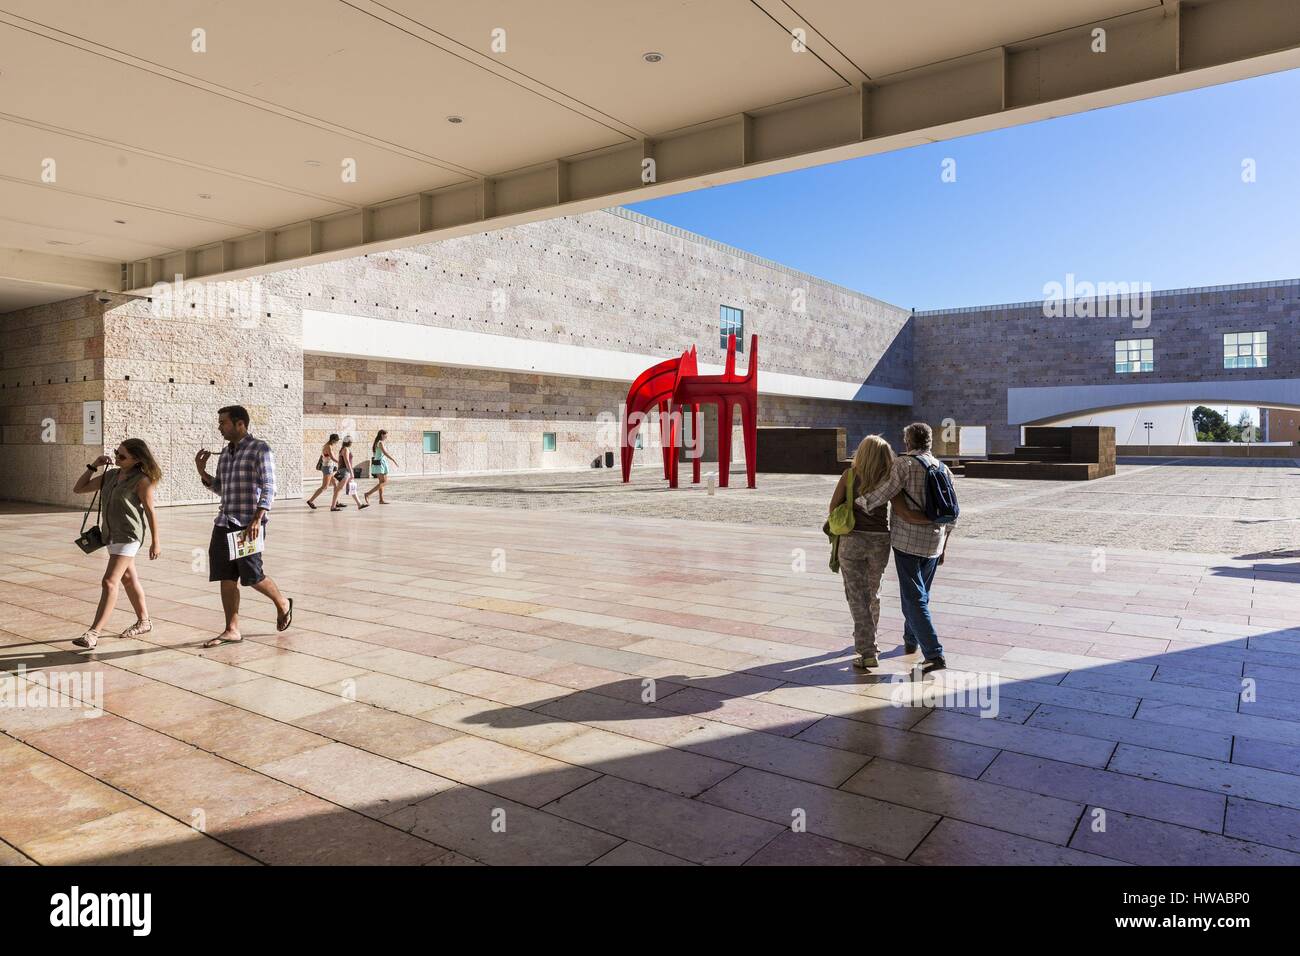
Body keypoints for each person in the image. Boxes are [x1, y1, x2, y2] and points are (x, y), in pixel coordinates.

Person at [854, 422, 956, 674]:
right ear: (930, 441)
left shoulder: (904, 464)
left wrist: (859, 502)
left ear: (908, 441)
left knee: (913, 599)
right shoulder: (943, 468)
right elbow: (952, 514)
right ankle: (911, 641)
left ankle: (934, 654)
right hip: (934, 542)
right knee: (921, 596)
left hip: (908, 542)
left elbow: (885, 492)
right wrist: (944, 545)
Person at [194, 405, 293, 647]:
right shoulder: (225, 453)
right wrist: (202, 472)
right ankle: (231, 629)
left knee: (252, 576)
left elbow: (270, 486)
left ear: (240, 424)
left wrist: (258, 519)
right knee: (226, 576)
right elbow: (222, 488)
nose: (219, 427)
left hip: (248, 524)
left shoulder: (260, 449)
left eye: (223, 423)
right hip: (224, 522)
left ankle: (283, 603)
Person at [70, 439, 163, 649]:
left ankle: (93, 633)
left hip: (129, 535)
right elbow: (79, 488)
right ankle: (144, 621)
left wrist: (155, 542)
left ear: (137, 459)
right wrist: (94, 465)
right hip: (110, 535)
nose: (117, 458)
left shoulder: (142, 481)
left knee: (109, 581)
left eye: (122, 456)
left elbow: (150, 512)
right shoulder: (110, 475)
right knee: (129, 579)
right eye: (116, 453)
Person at [331, 437, 369, 512]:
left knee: (352, 487)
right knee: (339, 489)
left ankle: (359, 504)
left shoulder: (343, 449)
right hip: (345, 471)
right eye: (351, 442)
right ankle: (333, 506)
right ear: (349, 442)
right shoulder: (345, 449)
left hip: (344, 471)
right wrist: (351, 472)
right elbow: (347, 461)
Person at [306, 433, 340, 509]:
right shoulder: (328, 447)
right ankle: (310, 501)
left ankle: (336, 502)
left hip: (330, 467)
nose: (337, 442)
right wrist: (340, 462)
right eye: (336, 441)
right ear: (333, 440)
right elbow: (332, 457)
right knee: (324, 487)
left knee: (335, 485)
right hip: (327, 468)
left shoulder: (329, 446)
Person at [364, 429, 398, 505]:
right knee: (384, 482)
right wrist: (393, 459)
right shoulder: (380, 443)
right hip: (380, 464)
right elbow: (385, 453)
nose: (386, 436)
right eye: (386, 435)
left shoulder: (377, 442)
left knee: (381, 482)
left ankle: (381, 500)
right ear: (382, 434)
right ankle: (368, 494)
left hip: (380, 463)